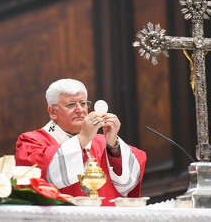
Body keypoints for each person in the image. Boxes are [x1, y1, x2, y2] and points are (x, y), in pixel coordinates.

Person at [15, 78, 147, 206]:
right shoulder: (32, 141)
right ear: (53, 111)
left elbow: (129, 182)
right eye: (71, 104)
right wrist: (83, 138)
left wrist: (113, 145)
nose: (80, 109)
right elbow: (35, 177)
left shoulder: (103, 141)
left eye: (83, 103)